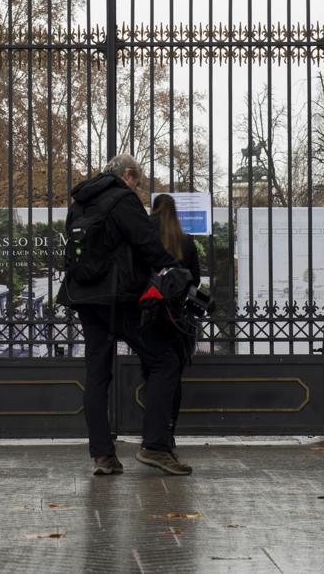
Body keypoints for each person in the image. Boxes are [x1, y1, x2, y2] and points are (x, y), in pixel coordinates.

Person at [58, 155, 188, 477]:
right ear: (128, 175)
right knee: (165, 361)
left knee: (97, 374)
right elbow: (147, 242)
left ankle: (103, 455)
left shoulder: (80, 202)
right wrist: (173, 268)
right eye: (139, 183)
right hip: (119, 299)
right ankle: (156, 446)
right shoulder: (122, 199)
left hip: (85, 298)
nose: (139, 189)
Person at [151, 194, 202, 445]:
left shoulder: (150, 241)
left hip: (152, 315)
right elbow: (196, 280)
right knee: (174, 375)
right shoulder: (187, 242)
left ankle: (154, 430)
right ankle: (169, 431)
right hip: (181, 318)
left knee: (155, 374)